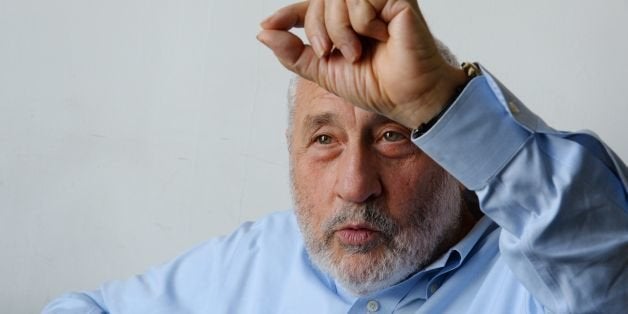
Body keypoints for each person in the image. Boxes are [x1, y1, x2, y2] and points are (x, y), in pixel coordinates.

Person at [44, 0, 627, 313]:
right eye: (324, 140)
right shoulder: (257, 259)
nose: (354, 185)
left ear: (450, 151)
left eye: (394, 136)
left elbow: (603, 256)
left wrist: (435, 98)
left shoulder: (544, 279)